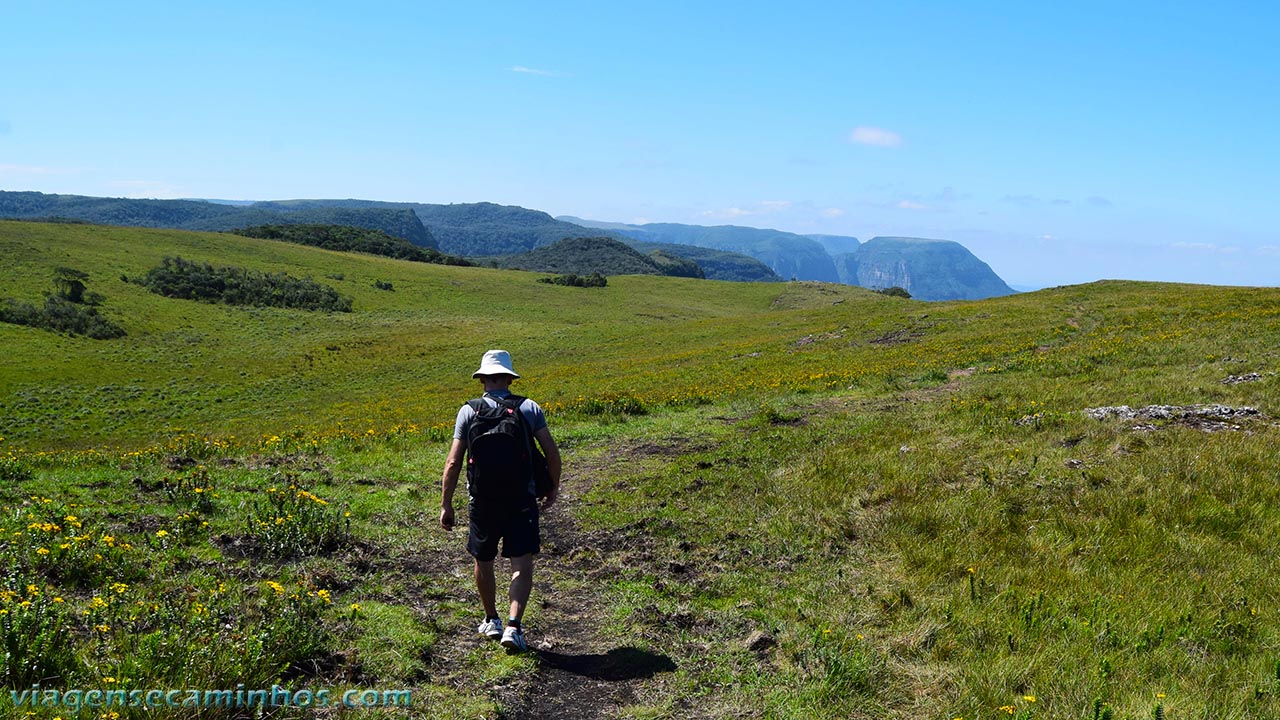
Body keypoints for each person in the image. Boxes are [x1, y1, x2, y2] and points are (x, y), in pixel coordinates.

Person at [440, 349, 561, 653]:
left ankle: (491, 619)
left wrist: (447, 504)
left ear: (482, 380)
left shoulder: (468, 411)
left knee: (484, 560)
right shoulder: (529, 408)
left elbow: (453, 463)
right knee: (521, 562)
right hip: (521, 498)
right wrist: (553, 487)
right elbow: (551, 451)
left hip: (482, 499)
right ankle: (514, 626)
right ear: (509, 378)